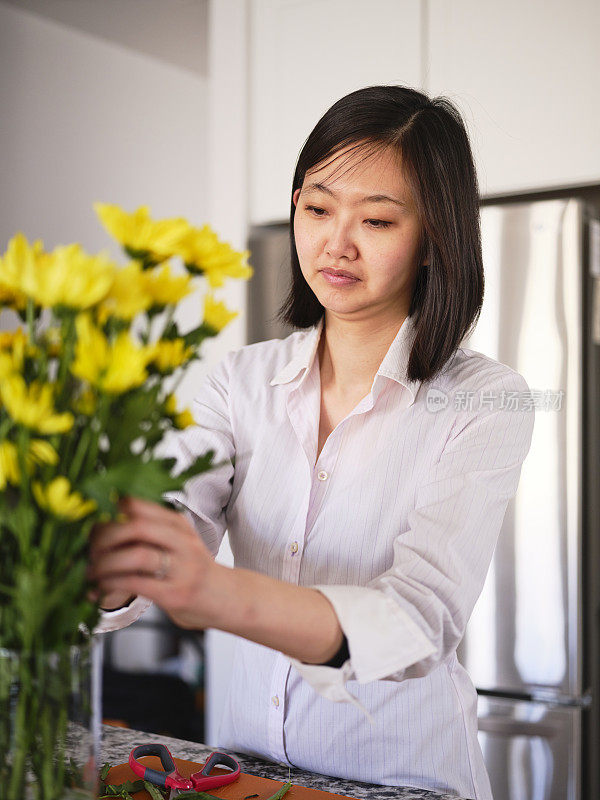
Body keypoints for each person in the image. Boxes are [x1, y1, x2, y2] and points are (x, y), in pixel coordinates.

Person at [89, 85, 535, 800]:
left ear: (432, 240)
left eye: (378, 220)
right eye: (318, 207)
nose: (336, 243)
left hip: (402, 780)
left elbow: (414, 623)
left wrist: (217, 592)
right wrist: (100, 553)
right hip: (242, 773)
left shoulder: (485, 399)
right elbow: (174, 518)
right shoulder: (241, 380)